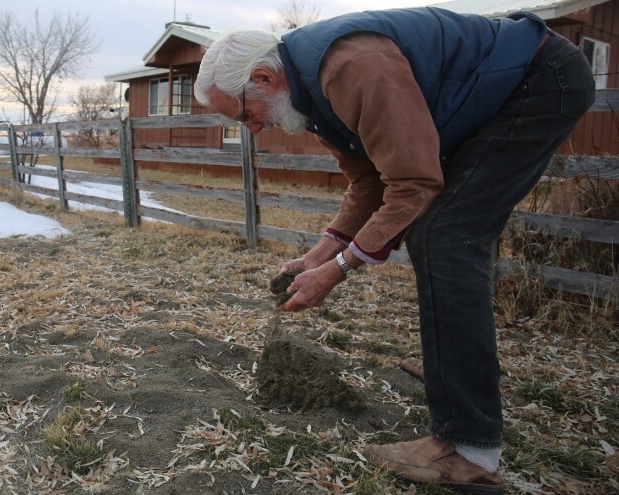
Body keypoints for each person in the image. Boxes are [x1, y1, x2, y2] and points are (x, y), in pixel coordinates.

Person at [193, 6, 594, 495]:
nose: (253, 130)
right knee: (448, 235)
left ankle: (468, 449)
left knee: (445, 237)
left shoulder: (349, 67)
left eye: (246, 115)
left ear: (263, 76)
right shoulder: (310, 94)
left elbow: (412, 185)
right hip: (495, 97)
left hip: (538, 80)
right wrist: (320, 253)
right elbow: (368, 181)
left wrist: (338, 270)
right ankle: (452, 362)